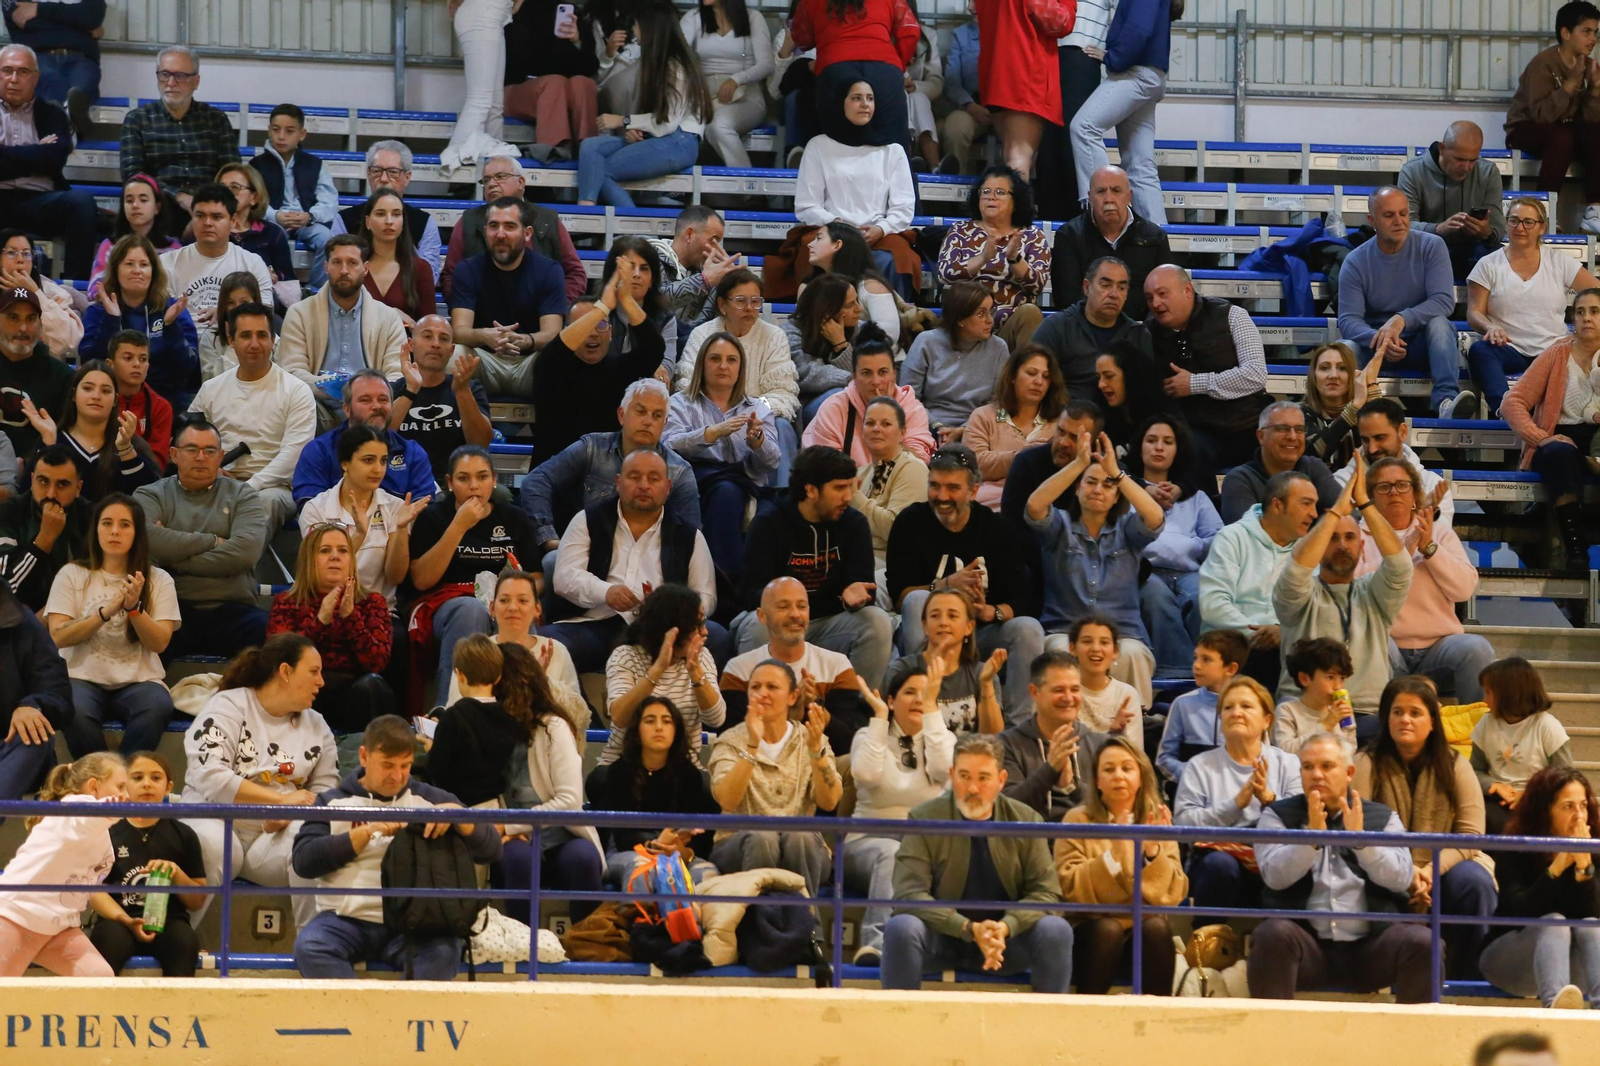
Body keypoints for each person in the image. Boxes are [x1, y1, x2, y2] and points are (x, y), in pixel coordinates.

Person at [291, 714, 501, 980]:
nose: (398, 775)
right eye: (388, 765)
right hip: (344, 921)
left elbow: (492, 850)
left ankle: (396, 1009)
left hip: (416, 924)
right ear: (364, 757)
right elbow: (303, 861)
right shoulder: (331, 801)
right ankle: (360, 1008)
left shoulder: (432, 800)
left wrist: (461, 818)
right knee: (311, 947)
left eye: (405, 765)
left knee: (445, 951)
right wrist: (365, 833)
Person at [1248, 732, 1432, 1003]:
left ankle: (1417, 1031)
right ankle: (1271, 1030)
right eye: (1308, 767)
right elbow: (1274, 877)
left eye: (1326, 766)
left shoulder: (1382, 817)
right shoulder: (1277, 815)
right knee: (1271, 935)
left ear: (1349, 773)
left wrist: (1362, 842)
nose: (1316, 775)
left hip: (1371, 949)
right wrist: (1310, 839)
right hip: (1307, 947)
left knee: (1423, 942)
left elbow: (1401, 878)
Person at [882, 733, 1074, 992]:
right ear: (952, 775)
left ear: (1001, 780)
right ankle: (898, 1016)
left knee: (1056, 930)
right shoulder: (924, 818)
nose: (972, 788)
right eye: (964, 776)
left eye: (983, 778)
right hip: (943, 938)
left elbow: (1047, 894)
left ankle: (1050, 1017)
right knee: (902, 928)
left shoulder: (1026, 820)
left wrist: (1007, 926)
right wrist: (967, 928)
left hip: (1006, 942)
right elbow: (909, 895)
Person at [178, 633, 338, 928]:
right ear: (285, 671)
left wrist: (291, 815)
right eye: (314, 671)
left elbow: (326, 791)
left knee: (316, 842)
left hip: (272, 837)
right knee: (213, 847)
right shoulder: (228, 704)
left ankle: (315, 945)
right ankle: (174, 939)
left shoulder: (317, 724)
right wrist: (279, 801)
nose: (321, 682)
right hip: (215, 817)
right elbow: (208, 774)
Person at [1355, 676, 1499, 980]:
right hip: (1384, 866)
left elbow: (1471, 834)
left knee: (1475, 882)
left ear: (1433, 721)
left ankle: (1468, 979)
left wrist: (1430, 870)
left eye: (1415, 713)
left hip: (1443, 866)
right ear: (1386, 718)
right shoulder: (1365, 762)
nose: (1405, 720)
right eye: (1397, 712)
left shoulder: (1456, 764)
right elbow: (1359, 833)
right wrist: (1405, 874)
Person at [886, 446, 1042, 722]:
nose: (942, 496)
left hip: (980, 633)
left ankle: (1018, 727)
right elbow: (900, 597)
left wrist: (991, 612)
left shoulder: (997, 529)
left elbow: (1023, 599)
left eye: (952, 488)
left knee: (1028, 629)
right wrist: (945, 585)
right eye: (934, 486)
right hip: (927, 636)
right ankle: (923, 705)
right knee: (917, 600)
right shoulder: (910, 522)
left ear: (973, 491)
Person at [545, 448, 718, 674]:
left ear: (668, 487)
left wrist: (674, 610)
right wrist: (606, 592)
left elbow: (706, 595)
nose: (644, 485)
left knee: (719, 639)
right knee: (550, 645)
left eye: (653, 479)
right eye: (634, 477)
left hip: (665, 629)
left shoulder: (689, 534)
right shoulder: (587, 520)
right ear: (618, 482)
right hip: (596, 624)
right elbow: (564, 577)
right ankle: (577, 699)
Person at [736, 446, 896, 688]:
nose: (848, 497)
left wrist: (853, 598)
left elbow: (864, 589)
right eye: (839, 488)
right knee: (758, 625)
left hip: (829, 624)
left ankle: (856, 706)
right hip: (781, 623)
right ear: (810, 490)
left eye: (850, 487)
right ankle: (759, 706)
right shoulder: (769, 524)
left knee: (876, 621)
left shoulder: (854, 523)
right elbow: (751, 593)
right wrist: (790, 605)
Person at [1025, 430, 1164, 709]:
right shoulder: (1059, 526)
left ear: (1116, 496)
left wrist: (1118, 473)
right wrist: (1079, 464)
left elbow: (1155, 516)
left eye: (1107, 485)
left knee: (1133, 653)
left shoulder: (1128, 530)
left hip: (1123, 634)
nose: (1098, 489)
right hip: (1064, 632)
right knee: (1059, 651)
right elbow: (1035, 505)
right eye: (1090, 482)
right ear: (1077, 488)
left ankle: (1138, 726)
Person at [1274, 457, 1412, 735]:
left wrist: (1365, 504)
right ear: (1318, 545)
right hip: (1304, 713)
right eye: (1332, 538)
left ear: (1361, 546)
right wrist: (1336, 511)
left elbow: (1401, 566)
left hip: (1367, 714)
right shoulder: (1299, 594)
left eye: (1349, 538)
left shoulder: (1373, 592)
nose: (1341, 545)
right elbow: (1297, 570)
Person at [45, 492, 179, 758]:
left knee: (157, 707)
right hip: (79, 677)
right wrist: (104, 613)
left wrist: (134, 609)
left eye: (124, 524)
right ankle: (102, 775)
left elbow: (160, 643)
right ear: (96, 530)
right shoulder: (72, 574)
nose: (114, 531)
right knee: (73, 709)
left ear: (137, 533)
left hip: (139, 680)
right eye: (107, 523)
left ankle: (124, 776)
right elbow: (58, 636)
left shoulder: (159, 579)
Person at [408, 444, 539, 699]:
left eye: (482, 477)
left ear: (494, 480)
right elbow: (422, 580)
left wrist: (511, 593)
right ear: (449, 482)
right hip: (449, 604)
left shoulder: (515, 518)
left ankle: (525, 705)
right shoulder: (432, 517)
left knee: (515, 607)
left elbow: (537, 579)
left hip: (500, 598)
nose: (474, 486)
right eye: (463, 478)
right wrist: (459, 526)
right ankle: (452, 707)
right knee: (471, 609)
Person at [1056, 737, 1185, 996]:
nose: (1118, 776)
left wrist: (1152, 853)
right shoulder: (1077, 819)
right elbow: (1069, 886)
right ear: (1097, 780)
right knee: (1109, 929)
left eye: (1127, 768)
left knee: (1157, 928)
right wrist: (1113, 856)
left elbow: (1172, 894)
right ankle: (1088, 1014)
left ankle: (1158, 1016)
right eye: (1109, 769)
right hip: (1091, 934)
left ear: (1141, 777)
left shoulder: (1156, 821)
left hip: (1140, 935)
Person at [1360, 457, 1494, 702]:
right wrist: (1404, 552)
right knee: (1371, 642)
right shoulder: (1359, 535)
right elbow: (1355, 590)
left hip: (1439, 650)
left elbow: (1464, 589)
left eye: (1402, 485)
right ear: (1371, 497)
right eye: (1384, 487)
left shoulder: (1440, 533)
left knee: (1477, 648)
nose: (1394, 492)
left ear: (1415, 495)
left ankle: (1476, 724)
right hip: (1386, 648)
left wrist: (1430, 549)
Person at [847, 664, 955, 965]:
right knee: (893, 852)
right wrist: (880, 718)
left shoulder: (942, 738)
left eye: (926, 694)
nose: (919, 699)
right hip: (865, 844)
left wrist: (932, 715)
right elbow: (866, 774)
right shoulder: (867, 735)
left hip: (921, 849)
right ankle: (877, 945)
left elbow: (944, 770)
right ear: (892, 700)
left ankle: (944, 952)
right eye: (910, 692)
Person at [135, 419, 269, 660]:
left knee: (274, 639)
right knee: (138, 635)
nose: (200, 457)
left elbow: (244, 553)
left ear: (221, 457)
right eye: (192, 449)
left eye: (209, 451)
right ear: (174, 454)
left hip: (234, 609)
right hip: (171, 608)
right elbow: (148, 540)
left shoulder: (243, 495)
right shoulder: (150, 494)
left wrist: (174, 560)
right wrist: (214, 540)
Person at [1339, 187, 1477, 419]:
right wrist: (1381, 340)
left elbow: (1443, 301)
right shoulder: (1355, 261)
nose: (1399, 221)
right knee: (1345, 349)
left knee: (1440, 325)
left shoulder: (1432, 246)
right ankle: (1343, 415)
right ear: (1372, 220)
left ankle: (1446, 402)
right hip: (1374, 346)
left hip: (1421, 343)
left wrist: (1401, 319)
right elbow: (1348, 320)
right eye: (1389, 215)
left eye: (1403, 213)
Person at [707, 659, 842, 895]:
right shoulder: (729, 741)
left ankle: (806, 917)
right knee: (763, 837)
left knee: (800, 837)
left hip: (803, 848)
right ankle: (758, 917)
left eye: (772, 687)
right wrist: (752, 745)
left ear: (793, 697)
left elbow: (830, 801)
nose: (762, 694)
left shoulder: (812, 738)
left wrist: (816, 753)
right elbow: (727, 800)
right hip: (737, 845)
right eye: (755, 687)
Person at [521, 378, 701, 554]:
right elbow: (536, 480)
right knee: (553, 560)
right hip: (589, 552)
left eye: (657, 415)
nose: (648, 421)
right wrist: (548, 538)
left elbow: (691, 536)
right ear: (621, 415)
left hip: (651, 560)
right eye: (640, 412)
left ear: (664, 424)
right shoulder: (591, 448)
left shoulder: (679, 471)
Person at [1172, 674, 1303, 915]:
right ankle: (1209, 935)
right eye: (1228, 707)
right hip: (1216, 862)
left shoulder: (1289, 763)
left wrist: (1269, 800)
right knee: (1219, 865)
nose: (1236, 713)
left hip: (1272, 857)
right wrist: (1235, 805)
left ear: (1266, 720)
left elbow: (1301, 822)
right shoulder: (1199, 765)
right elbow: (1183, 824)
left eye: (1246, 706)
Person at [1478, 765, 1600, 1008]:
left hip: (1574, 963)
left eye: (1583, 805)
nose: (1579, 816)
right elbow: (1517, 912)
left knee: (1591, 927)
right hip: (1511, 958)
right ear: (1544, 812)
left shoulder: (1595, 847)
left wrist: (1583, 867)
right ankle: (1555, 1012)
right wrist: (1556, 868)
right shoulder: (1515, 846)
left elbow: (1595, 912)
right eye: (1568, 806)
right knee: (1554, 922)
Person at [188, 302, 317, 530]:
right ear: (231, 340)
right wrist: (209, 469)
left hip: (274, 488)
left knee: (261, 505)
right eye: (246, 335)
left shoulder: (296, 391)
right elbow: (190, 441)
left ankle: (227, 553)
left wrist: (249, 486)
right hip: (216, 480)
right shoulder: (211, 389)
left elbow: (292, 457)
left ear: (273, 340)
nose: (255, 344)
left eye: (262, 335)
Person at [1470, 196, 1600, 419]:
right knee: (1479, 351)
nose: (1520, 228)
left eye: (1528, 222)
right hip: (1509, 347)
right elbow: (1474, 313)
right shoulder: (1488, 264)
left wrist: (1579, 330)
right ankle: (1506, 410)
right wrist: (1489, 327)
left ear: (1542, 228)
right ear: (1506, 224)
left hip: (1553, 348)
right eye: (1514, 221)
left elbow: (1595, 292)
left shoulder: (1558, 261)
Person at [665, 333, 780, 577]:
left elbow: (772, 463)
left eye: (731, 360)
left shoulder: (758, 408)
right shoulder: (680, 403)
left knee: (775, 508)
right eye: (715, 359)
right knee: (726, 493)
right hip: (698, 482)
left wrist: (757, 440)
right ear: (702, 364)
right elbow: (667, 445)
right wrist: (711, 433)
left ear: (740, 367)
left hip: (747, 485)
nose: (723, 366)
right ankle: (727, 579)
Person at [0, 752, 122, 979]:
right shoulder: (74, 806)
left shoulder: (101, 828)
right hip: (17, 915)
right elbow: (87, 817)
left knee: (100, 978)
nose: (126, 795)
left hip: (58, 925)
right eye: (120, 787)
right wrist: (112, 807)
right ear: (94, 786)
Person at [577, 6, 712, 208]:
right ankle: (586, 207)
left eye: (636, 25)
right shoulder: (655, 62)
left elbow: (667, 124)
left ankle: (630, 224)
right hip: (662, 137)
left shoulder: (675, 65)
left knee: (600, 170)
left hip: (679, 141)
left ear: (650, 28)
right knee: (590, 147)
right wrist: (636, 129)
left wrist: (624, 121)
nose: (633, 30)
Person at [1502, 288, 1600, 568]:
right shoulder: (1556, 354)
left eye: (1595, 311)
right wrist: (1541, 438)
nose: (1586, 318)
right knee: (1560, 454)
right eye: (1580, 312)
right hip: (1559, 439)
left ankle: (1590, 461)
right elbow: (1512, 402)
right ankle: (1576, 552)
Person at [267, 523, 397, 734]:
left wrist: (351, 618)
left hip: (355, 693)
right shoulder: (287, 602)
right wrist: (320, 622)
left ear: (351, 560)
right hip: (307, 691)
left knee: (373, 686)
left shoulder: (372, 602)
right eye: (325, 550)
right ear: (309, 560)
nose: (335, 557)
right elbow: (278, 661)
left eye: (343, 551)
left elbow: (376, 662)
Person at [88, 751, 207, 977]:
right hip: (119, 920)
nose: (146, 784)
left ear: (168, 787)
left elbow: (197, 901)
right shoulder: (107, 832)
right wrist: (126, 920)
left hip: (169, 922)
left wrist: (177, 874)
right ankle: (101, 1001)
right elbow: (95, 891)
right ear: (124, 786)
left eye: (155, 778)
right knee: (107, 942)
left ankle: (176, 1002)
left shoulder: (184, 834)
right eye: (137, 777)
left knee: (185, 942)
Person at [794, 80, 920, 294]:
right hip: (833, 231)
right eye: (856, 98)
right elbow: (807, 205)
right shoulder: (818, 146)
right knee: (811, 251)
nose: (864, 104)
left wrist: (881, 228)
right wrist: (838, 225)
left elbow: (903, 207)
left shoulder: (892, 150)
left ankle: (890, 314)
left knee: (900, 259)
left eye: (870, 99)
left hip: (879, 234)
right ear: (841, 103)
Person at [1197, 471, 1318, 692]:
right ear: (1277, 505)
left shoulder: (1308, 551)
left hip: (1286, 646)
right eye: (1306, 504)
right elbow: (1212, 605)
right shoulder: (1232, 538)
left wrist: (1283, 633)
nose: (1314, 513)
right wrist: (1259, 634)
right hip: (1235, 643)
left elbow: (1313, 612)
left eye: (1315, 505)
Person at [584, 693, 720, 887]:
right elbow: (622, 837)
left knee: (707, 873)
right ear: (637, 731)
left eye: (667, 721)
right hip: (629, 850)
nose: (659, 727)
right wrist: (656, 844)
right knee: (644, 870)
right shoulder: (619, 772)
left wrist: (682, 852)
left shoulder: (690, 775)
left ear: (676, 730)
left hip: (677, 850)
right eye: (650, 721)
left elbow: (699, 838)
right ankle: (639, 910)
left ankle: (691, 910)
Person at [1143, 264, 1269, 472]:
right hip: (1195, 433)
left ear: (1187, 290)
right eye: (1149, 298)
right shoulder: (1147, 333)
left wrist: (1195, 383)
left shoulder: (1232, 315)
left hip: (1248, 424)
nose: (1155, 303)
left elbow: (1255, 374)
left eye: (1162, 294)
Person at [675, 269, 800, 476]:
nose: (749, 308)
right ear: (722, 305)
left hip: (758, 416)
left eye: (755, 301)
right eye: (741, 301)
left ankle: (783, 492)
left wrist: (748, 414)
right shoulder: (702, 334)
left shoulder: (774, 336)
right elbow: (687, 386)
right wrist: (723, 414)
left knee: (782, 426)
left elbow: (783, 393)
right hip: (708, 415)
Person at [718, 575, 864, 750]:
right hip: (758, 762)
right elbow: (731, 741)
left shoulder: (837, 666)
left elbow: (848, 744)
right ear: (762, 616)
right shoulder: (739, 669)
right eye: (783, 607)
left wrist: (813, 707)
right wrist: (786, 714)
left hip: (821, 760)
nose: (795, 614)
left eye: (802, 606)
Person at [296, 426, 428, 613]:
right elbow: (318, 575)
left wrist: (400, 529)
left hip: (379, 612)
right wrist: (359, 535)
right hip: (326, 609)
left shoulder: (396, 507)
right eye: (368, 460)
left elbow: (395, 577)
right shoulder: (316, 509)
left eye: (383, 461)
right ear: (345, 463)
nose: (378, 469)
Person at [449, 197, 569, 400]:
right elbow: (459, 331)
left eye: (510, 226)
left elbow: (552, 334)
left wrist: (525, 340)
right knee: (453, 355)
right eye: (494, 226)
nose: (500, 234)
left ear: (527, 233)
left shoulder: (549, 271)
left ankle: (552, 423)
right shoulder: (467, 270)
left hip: (529, 364)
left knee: (561, 358)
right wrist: (485, 336)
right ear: (485, 231)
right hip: (484, 361)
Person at [1127, 416, 1219, 678]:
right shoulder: (1127, 493)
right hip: (1146, 573)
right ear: (1140, 448)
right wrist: (1185, 545)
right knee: (1157, 600)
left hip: (1190, 572)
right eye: (1151, 440)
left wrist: (1188, 547)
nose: (1159, 447)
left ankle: (1210, 671)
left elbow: (1218, 538)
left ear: (1177, 450)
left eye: (1168, 442)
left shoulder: (1196, 496)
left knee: (1205, 598)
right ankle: (1178, 674)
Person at [599, 584, 726, 770]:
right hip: (626, 765)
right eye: (697, 625)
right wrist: (659, 668)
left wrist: (695, 672)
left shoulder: (701, 657)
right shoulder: (626, 656)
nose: (705, 631)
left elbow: (716, 719)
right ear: (673, 629)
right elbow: (619, 717)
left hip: (682, 768)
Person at [1070, 4, 1176, 227]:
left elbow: (1139, 28)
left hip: (1135, 72)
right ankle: (1159, 238)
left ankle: (1103, 211)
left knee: (1083, 127)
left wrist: (1113, 57)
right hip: (1153, 73)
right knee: (1140, 165)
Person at [440, 570, 588, 729]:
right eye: (504, 600)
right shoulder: (474, 653)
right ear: (492, 607)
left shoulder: (557, 651)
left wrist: (539, 681)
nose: (512, 607)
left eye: (523, 601)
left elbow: (577, 715)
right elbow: (455, 710)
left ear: (537, 609)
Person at [0, 44, 99, 280]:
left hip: (40, 201)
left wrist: (5, 155)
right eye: (7, 70)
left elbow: (54, 159)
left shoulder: (52, 114)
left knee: (82, 203)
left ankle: (74, 287)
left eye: (23, 72)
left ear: (35, 78)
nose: (14, 79)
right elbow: (44, 158)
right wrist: (37, 152)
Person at [277, 235, 408, 411]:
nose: (344, 270)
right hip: (316, 406)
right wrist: (328, 386)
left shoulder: (389, 318)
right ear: (326, 267)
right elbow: (291, 372)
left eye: (352, 263)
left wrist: (364, 394)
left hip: (371, 407)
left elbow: (397, 374)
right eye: (337, 262)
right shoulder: (299, 314)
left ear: (365, 269)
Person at [531, 299, 665, 467]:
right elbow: (554, 352)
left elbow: (654, 347)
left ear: (610, 332)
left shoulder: (622, 369)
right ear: (568, 333)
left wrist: (626, 299)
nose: (593, 332)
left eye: (600, 324)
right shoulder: (549, 367)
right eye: (584, 324)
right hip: (553, 474)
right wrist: (602, 307)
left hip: (607, 475)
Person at [1505, 1, 1600, 235]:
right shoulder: (1543, 63)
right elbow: (1541, 115)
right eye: (1586, 31)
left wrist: (1595, 91)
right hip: (1525, 129)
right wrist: (1569, 86)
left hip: (1564, 131)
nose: (1593, 39)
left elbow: (1588, 122)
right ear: (1565, 33)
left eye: (1595, 32)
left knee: (1595, 134)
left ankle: (1594, 210)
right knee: (1562, 136)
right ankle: (1544, 210)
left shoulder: (1590, 66)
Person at [439, 157, 587, 303]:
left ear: (520, 182)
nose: (491, 184)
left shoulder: (548, 220)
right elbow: (450, 276)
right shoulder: (468, 221)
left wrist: (555, 306)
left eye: (500, 177)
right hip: (480, 315)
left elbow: (575, 274)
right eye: (486, 180)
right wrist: (466, 308)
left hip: (542, 315)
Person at [79, 236, 200, 408]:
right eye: (129, 264)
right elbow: (90, 363)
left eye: (144, 265)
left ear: (153, 271)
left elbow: (188, 367)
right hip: (110, 401)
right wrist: (111, 321)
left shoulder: (172, 309)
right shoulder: (98, 312)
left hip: (165, 400)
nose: (137, 271)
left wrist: (171, 327)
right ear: (116, 269)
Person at [935, 167, 1049, 350]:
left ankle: (1024, 367)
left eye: (1000, 192)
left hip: (1009, 325)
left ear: (1016, 200)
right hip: (966, 324)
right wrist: (983, 257)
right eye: (986, 191)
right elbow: (945, 274)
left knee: (1031, 313)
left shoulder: (1032, 236)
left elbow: (1036, 285)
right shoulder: (960, 231)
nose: (991, 197)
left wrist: (1014, 258)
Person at [292, 369, 438, 508]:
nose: (376, 406)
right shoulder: (319, 450)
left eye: (383, 399)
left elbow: (423, 509)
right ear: (347, 409)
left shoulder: (412, 453)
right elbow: (309, 507)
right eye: (365, 400)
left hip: (400, 525)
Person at [118, 47, 238, 209]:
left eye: (180, 76)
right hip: (159, 207)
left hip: (209, 206)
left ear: (196, 81)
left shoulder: (216, 120)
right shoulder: (137, 120)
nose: (171, 83)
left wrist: (205, 205)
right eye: (164, 74)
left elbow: (231, 171)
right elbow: (133, 175)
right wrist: (179, 197)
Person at [25, 360, 159, 504]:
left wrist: (125, 449)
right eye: (88, 388)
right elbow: (27, 496)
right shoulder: (52, 438)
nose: (96, 396)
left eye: (105, 391)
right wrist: (50, 445)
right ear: (74, 395)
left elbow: (149, 500)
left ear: (115, 400)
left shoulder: (129, 443)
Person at [789, 0, 918, 148]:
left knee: (837, 144)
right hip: (884, 71)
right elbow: (910, 29)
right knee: (894, 146)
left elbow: (801, 37)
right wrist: (899, 64)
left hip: (835, 69)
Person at [802, 327, 935, 467]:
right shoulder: (834, 408)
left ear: (894, 374)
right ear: (854, 377)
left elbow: (917, 466)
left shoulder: (912, 409)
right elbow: (825, 469)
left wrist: (886, 414)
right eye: (866, 373)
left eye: (883, 372)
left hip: (898, 480)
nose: (876, 381)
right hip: (846, 480)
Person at [1052, 168, 1170, 324]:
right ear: (1090, 198)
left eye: (1116, 190)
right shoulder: (1069, 236)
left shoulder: (1155, 237)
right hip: (1085, 330)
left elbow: (1164, 294)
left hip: (1141, 330)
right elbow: (1066, 299)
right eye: (1101, 191)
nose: (1108, 199)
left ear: (1129, 196)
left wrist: (1138, 331)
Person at [1473, 656, 1573, 836]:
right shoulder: (1485, 724)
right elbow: (1474, 770)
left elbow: (1565, 777)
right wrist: (1494, 785)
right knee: (1488, 819)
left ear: (1509, 694)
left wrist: (1529, 795)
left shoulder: (1547, 726)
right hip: (1497, 799)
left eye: (1488, 692)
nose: (1484, 700)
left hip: (1539, 800)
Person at [999, 649, 1102, 821]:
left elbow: (1110, 808)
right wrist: (1050, 770)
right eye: (1059, 690)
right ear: (1034, 692)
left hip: (1088, 837)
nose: (1068, 698)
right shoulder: (1007, 745)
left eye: (1075, 689)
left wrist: (1072, 787)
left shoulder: (1099, 745)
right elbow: (1007, 810)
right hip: (1030, 837)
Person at [158, 184, 273, 336]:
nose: (207, 223)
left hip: (236, 343)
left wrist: (226, 314)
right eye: (200, 216)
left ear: (233, 221)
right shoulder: (166, 263)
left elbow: (265, 316)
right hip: (184, 343)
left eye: (216, 217)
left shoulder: (253, 264)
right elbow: (158, 321)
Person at [388, 316, 492, 485]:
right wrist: (411, 389)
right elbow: (380, 438)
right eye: (427, 336)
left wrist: (462, 391)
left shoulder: (470, 388)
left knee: (501, 495)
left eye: (443, 339)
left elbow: (480, 444)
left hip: (457, 483)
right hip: (403, 482)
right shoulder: (392, 390)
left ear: (451, 350)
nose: (435, 344)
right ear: (411, 344)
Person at [1397, 119, 1506, 280]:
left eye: (1473, 160)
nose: (1467, 167)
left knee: (1502, 256)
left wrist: (1486, 232)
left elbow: (1498, 229)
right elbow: (1404, 226)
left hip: (1472, 250)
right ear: (1442, 149)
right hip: (1425, 249)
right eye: (1460, 159)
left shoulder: (1488, 172)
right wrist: (1437, 229)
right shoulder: (1412, 171)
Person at [900, 284, 1011, 440]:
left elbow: (1000, 403)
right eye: (981, 313)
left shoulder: (998, 348)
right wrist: (937, 427)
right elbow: (908, 398)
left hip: (979, 428)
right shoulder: (926, 342)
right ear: (960, 319)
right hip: (926, 425)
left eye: (990, 311)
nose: (990, 320)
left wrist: (965, 429)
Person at [1034, 256, 1151, 403]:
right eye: (1105, 285)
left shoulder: (1138, 334)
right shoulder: (1056, 327)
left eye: (1121, 288)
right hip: (1066, 412)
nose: (1114, 294)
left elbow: (1147, 393)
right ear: (1087, 287)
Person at [964, 344, 1065, 512]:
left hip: (1045, 506)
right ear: (1012, 376)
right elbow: (974, 465)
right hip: (991, 505)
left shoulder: (1060, 422)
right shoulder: (984, 416)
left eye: (1046, 377)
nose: (1038, 382)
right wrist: (1022, 455)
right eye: (1031, 373)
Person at [1334, 397, 1458, 534]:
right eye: (1365, 440)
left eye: (1380, 438)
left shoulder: (1433, 485)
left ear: (1403, 432)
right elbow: (1346, 540)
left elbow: (1439, 542)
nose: (1372, 449)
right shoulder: (1342, 483)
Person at [885, 597, 1005, 735]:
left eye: (952, 616)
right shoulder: (902, 669)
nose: (943, 622)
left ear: (969, 627)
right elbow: (891, 731)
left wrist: (986, 685)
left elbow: (992, 738)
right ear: (925, 626)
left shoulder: (982, 673)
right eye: (935, 616)